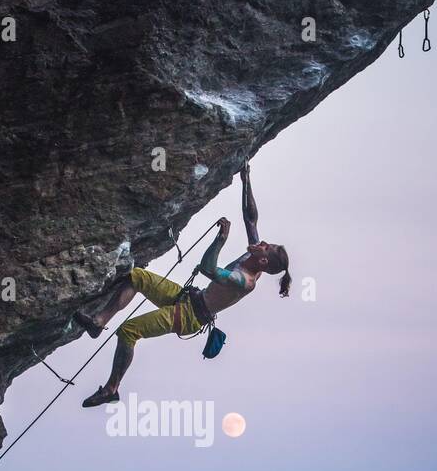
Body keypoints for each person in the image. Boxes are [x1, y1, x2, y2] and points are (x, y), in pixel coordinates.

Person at [77, 163, 291, 407]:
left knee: (129, 331)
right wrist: (246, 179)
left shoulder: (244, 281)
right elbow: (251, 219)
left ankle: (111, 389)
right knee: (137, 276)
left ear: (263, 260)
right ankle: (99, 322)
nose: (261, 241)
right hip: (188, 298)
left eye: (266, 245)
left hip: (189, 316)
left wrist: (220, 241)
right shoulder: (252, 256)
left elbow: (209, 269)